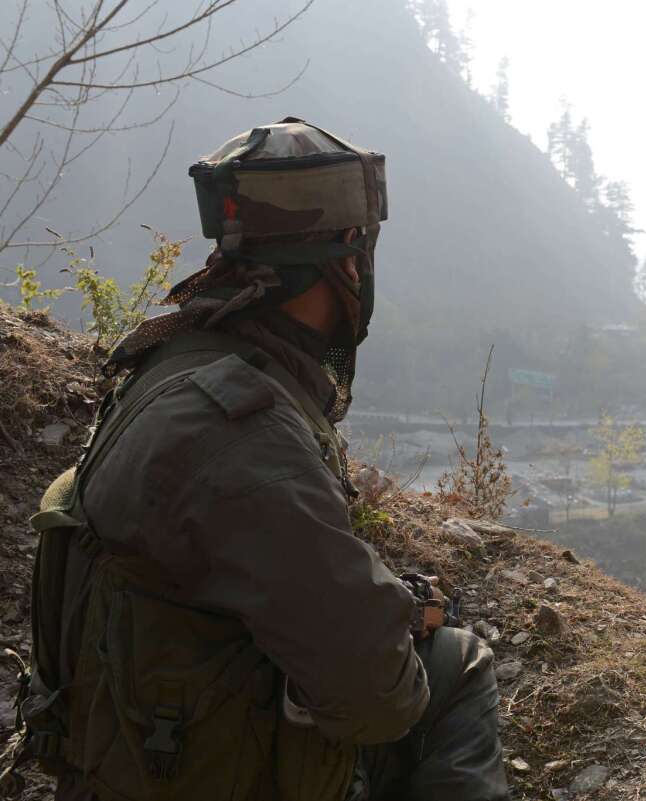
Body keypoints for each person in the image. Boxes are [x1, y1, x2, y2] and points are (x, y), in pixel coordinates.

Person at [17, 119, 508, 801]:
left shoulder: (168, 365)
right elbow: (379, 701)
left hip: (122, 756)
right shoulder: (248, 433)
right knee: (454, 662)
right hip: (200, 769)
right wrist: (398, 623)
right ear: (346, 261)